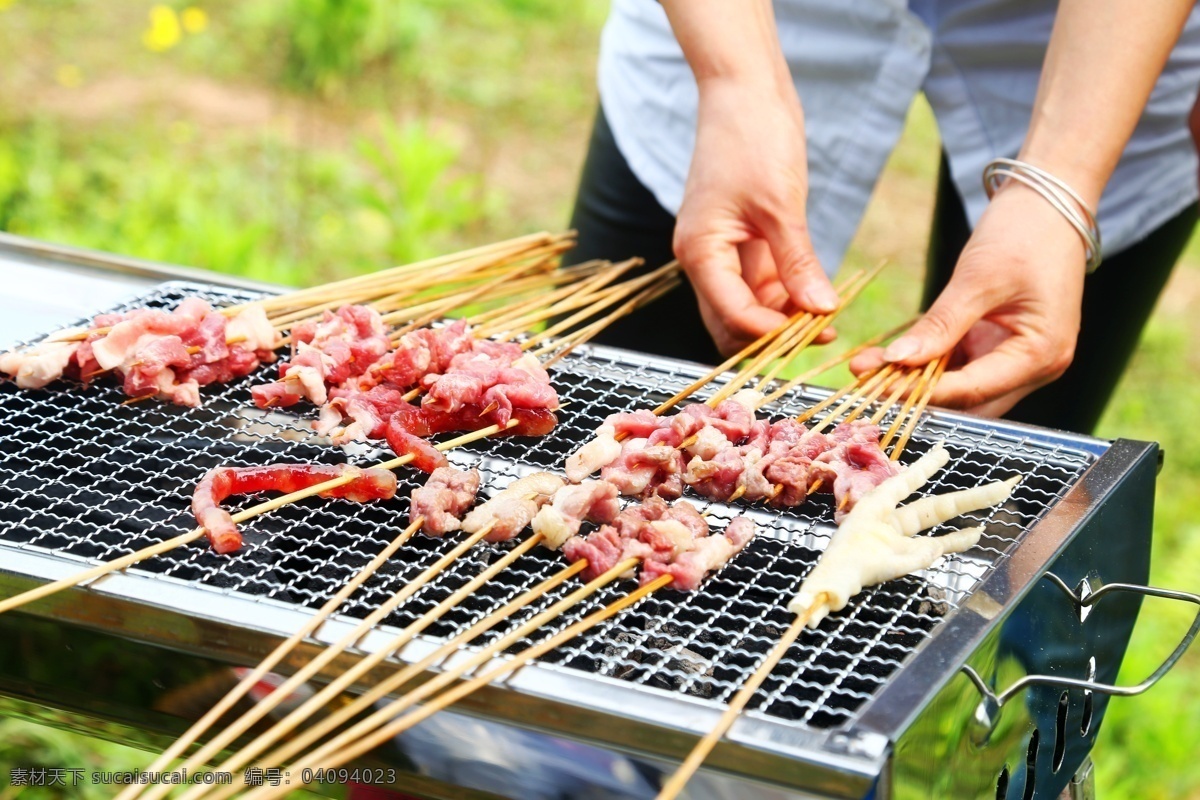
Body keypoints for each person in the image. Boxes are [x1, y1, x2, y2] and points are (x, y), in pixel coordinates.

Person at [566, 0, 1200, 434]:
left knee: (1010, 443)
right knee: (616, 409)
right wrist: (733, 81)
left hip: (1112, 41)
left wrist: (1060, 185)